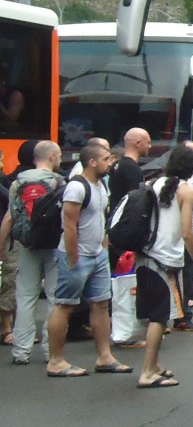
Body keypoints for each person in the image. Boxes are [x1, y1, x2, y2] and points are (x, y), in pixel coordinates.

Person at [45, 142, 128, 378]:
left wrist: (102, 247)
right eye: (106, 159)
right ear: (92, 162)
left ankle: (105, 357)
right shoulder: (76, 187)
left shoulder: (101, 184)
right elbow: (69, 225)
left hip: (97, 255)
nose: (110, 163)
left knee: (101, 303)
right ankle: (56, 361)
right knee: (66, 304)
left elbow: (100, 217)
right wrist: (73, 257)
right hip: (77, 255)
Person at [135, 144, 193, 389]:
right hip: (166, 259)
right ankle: (148, 372)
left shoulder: (155, 184)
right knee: (160, 318)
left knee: (154, 316)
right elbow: (186, 232)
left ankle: (155, 365)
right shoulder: (187, 192)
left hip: (146, 254)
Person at [2, 141, 63, 364]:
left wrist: (1, 248)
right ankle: (50, 350)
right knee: (55, 298)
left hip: (26, 245)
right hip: (54, 245)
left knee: (25, 297)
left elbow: (9, 218)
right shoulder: (58, 182)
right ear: (52, 157)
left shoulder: (18, 183)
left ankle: (21, 351)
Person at [0, 138, 37, 346]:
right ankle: (7, 328)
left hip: (11, 237)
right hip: (12, 238)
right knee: (10, 279)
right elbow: (9, 214)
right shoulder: (16, 183)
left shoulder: (11, 179)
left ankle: (12, 326)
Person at [172, 139, 193, 332]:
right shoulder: (180, 187)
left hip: (192, 230)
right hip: (178, 236)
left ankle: (183, 314)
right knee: (182, 276)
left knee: (187, 277)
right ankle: (181, 315)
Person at [108, 128, 151, 212]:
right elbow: (136, 201)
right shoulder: (132, 169)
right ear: (138, 143)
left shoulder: (117, 164)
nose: (150, 146)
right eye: (148, 143)